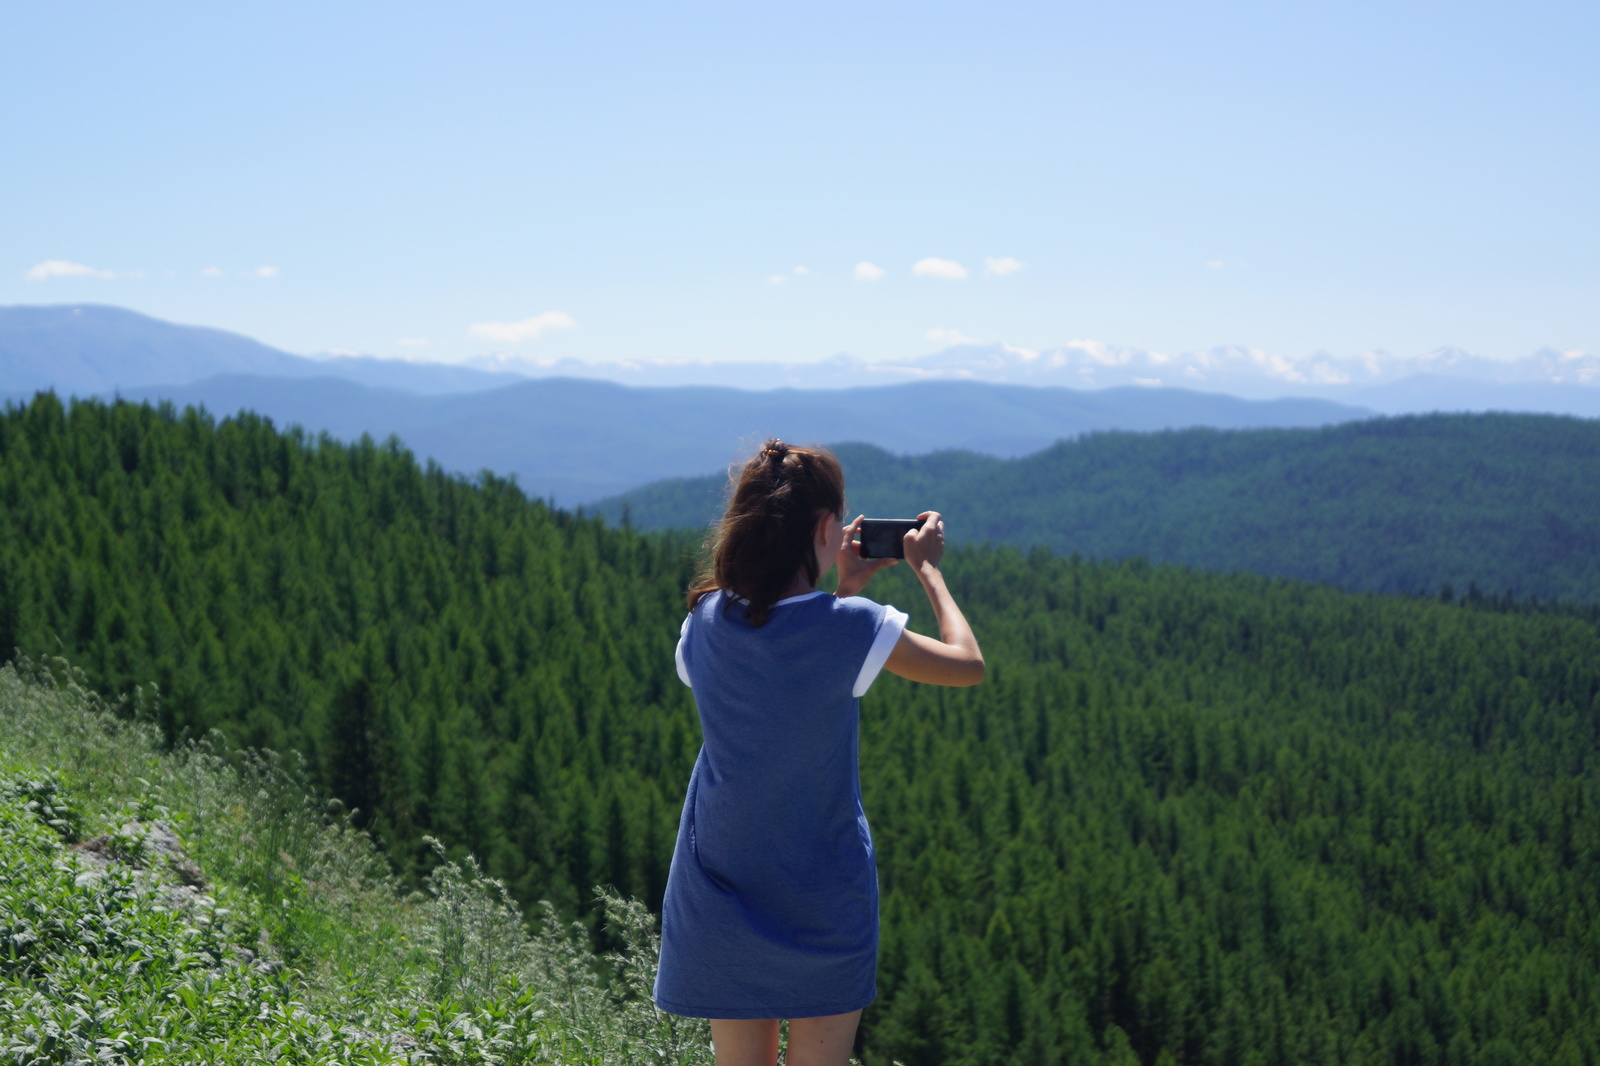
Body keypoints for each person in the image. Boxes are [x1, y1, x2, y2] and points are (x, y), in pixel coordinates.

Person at [653, 439, 984, 1066]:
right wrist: (928, 570)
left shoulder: (704, 622)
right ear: (827, 526)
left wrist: (846, 586)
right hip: (822, 898)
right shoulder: (852, 628)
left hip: (721, 889)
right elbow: (967, 665)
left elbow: (775, 647)